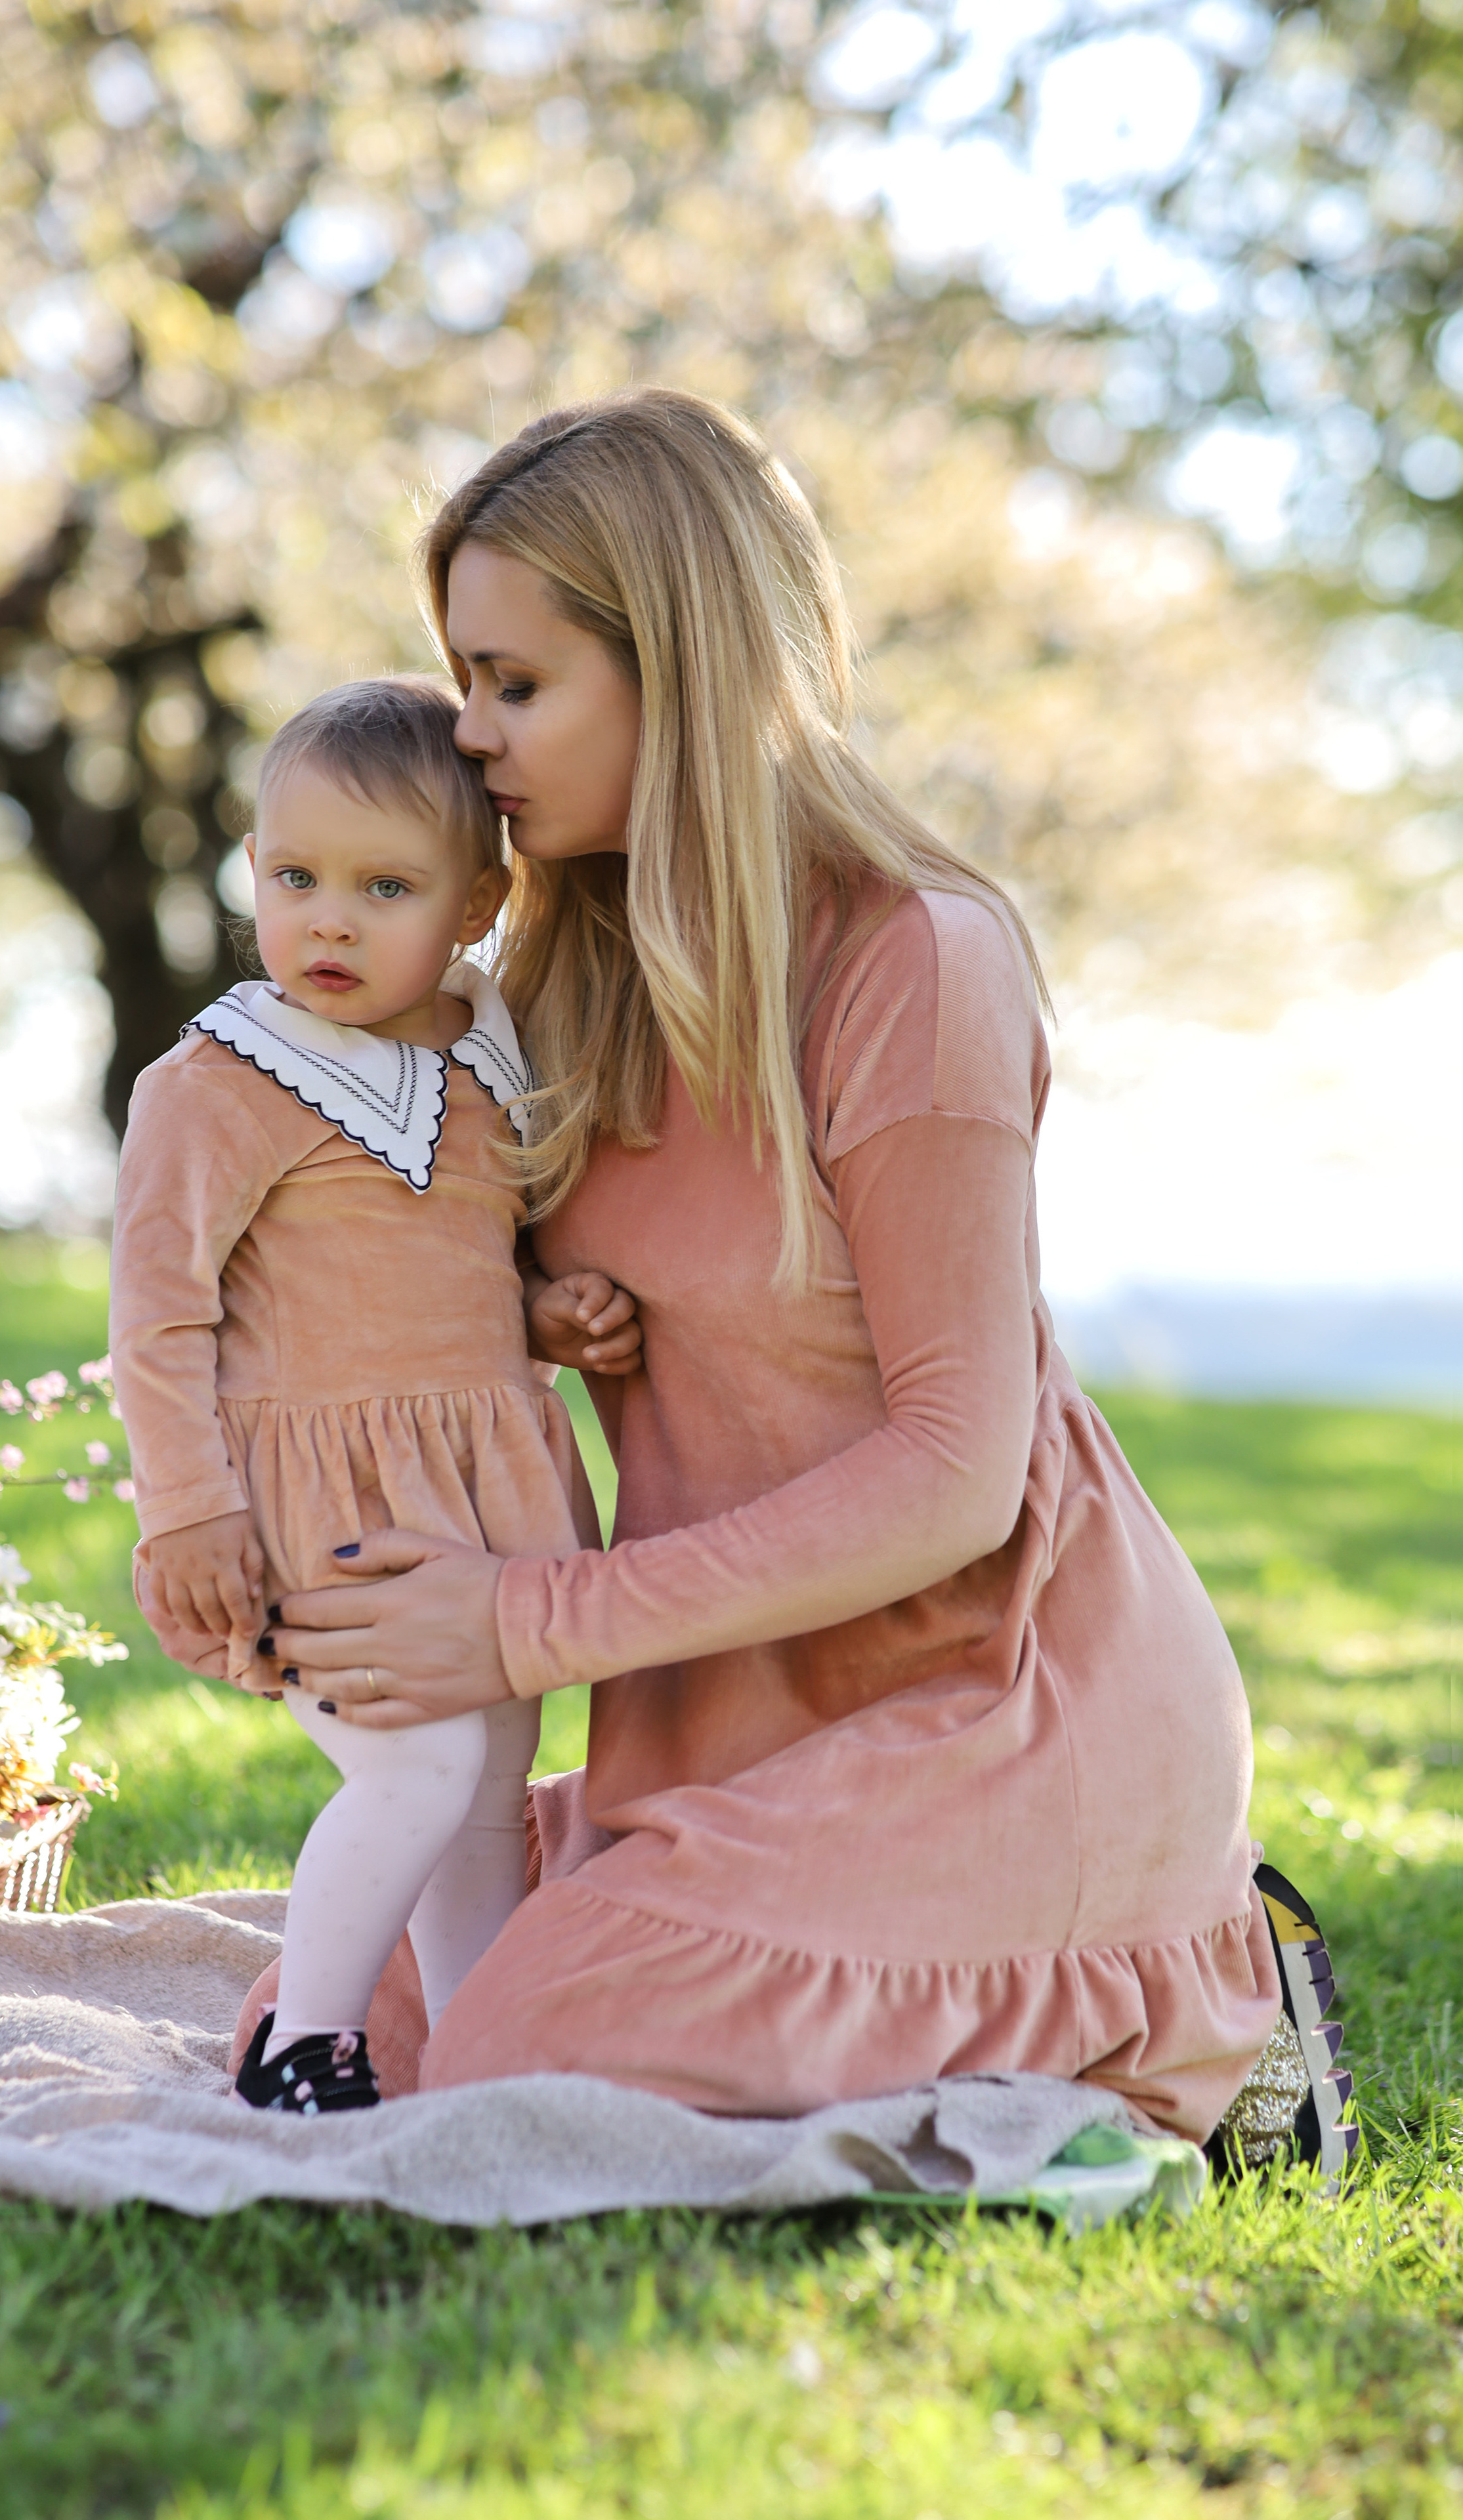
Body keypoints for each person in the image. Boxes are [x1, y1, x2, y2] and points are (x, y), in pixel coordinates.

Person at [199, 391, 1287, 2141]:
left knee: (519, 2061)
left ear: (682, 666)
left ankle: (1203, 1976)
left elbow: (955, 1472)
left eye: (516, 682)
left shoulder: (916, 959)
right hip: (725, 1721)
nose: (468, 732)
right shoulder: (546, 991)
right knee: (345, 2022)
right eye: (462, 678)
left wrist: (519, 1624)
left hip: (1000, 1706)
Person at [109, 679, 637, 2113]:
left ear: (476, 905)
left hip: (473, 1491)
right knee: (416, 1767)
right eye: (295, 879)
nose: (328, 922)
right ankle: (304, 2046)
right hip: (318, 1506)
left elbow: (455, 1272)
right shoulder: (221, 1082)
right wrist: (187, 1510)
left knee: (487, 1787)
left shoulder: (482, 1054)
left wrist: (544, 1313)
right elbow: (158, 1315)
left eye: (384, 888)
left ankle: (467, 2054)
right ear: (252, 867)